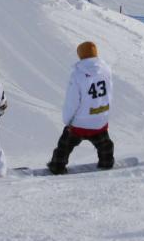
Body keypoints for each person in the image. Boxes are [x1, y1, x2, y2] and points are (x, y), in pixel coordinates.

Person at [48, 41, 114, 174]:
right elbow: (109, 93)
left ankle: (57, 166)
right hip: (99, 120)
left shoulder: (78, 75)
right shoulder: (106, 70)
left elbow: (72, 101)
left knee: (65, 146)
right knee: (105, 144)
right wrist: (104, 114)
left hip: (80, 124)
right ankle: (106, 162)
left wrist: (68, 121)